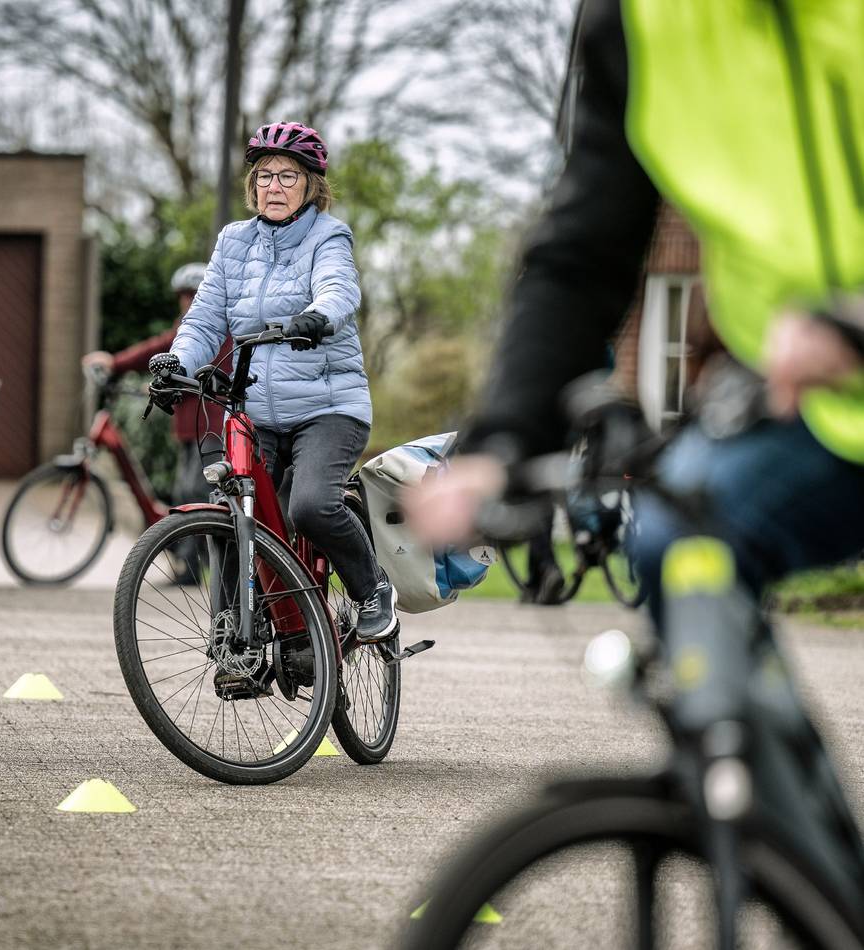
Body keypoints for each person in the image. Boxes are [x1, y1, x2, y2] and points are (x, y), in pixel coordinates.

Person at [407, 1, 864, 624]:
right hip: (815, 409)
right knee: (675, 542)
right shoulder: (644, 18)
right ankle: (732, 722)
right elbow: (583, 250)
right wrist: (505, 436)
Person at [149, 121, 399, 643]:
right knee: (228, 510)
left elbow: (338, 289)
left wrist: (316, 317)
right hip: (256, 410)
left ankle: (373, 590)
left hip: (329, 407)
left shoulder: (327, 235)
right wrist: (176, 363)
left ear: (311, 185)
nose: (275, 186)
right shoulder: (233, 241)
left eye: (289, 176)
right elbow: (204, 319)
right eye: (265, 176)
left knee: (309, 506)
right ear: (253, 186)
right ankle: (234, 633)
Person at [83, 263, 232, 511]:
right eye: (182, 296)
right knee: (184, 492)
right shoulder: (187, 328)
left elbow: (206, 371)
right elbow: (157, 348)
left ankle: (199, 550)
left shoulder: (217, 329)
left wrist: (166, 384)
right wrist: (114, 362)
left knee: (199, 492)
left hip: (211, 425)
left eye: (193, 295)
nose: (186, 302)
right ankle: (184, 548)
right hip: (191, 427)